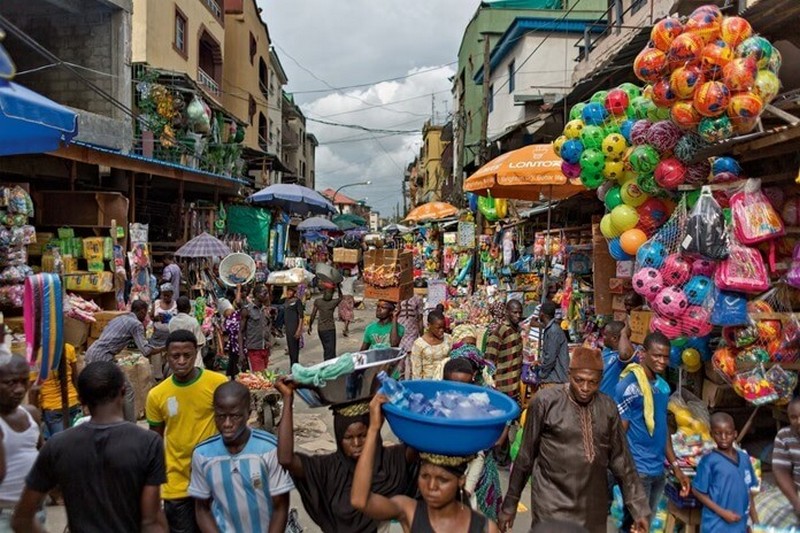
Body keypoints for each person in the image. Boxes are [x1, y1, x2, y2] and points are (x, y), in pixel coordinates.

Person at [499, 348, 650, 533]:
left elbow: (622, 460)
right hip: (551, 503)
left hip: (593, 506)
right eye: (579, 380)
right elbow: (525, 456)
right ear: (569, 374)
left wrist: (639, 509)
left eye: (593, 382)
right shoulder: (545, 402)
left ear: (600, 380)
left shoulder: (608, 407)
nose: (585, 388)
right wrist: (510, 504)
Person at [12, 361, 168, 532]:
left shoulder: (58, 446)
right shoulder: (148, 443)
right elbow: (150, 521)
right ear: (123, 391)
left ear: (81, 400)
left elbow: (22, 518)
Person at [275, 378, 416, 533]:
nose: (356, 443)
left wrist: (401, 404)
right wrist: (288, 399)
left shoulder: (392, 460)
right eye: (348, 438)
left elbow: (420, 440)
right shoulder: (327, 469)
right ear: (338, 436)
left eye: (363, 435)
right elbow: (285, 459)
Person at [350, 394, 500, 533]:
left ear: (461, 481)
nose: (431, 486)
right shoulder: (408, 511)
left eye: (442, 480)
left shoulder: (486, 528)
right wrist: (373, 429)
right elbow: (360, 500)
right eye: (425, 476)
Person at [145, 330, 227, 533]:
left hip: (214, 480)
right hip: (177, 483)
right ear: (166, 356)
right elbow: (156, 440)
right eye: (175, 356)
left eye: (187, 355)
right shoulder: (157, 395)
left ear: (196, 353)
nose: (181, 361)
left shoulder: (217, 384)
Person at [189, 381, 293, 532]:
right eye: (221, 416)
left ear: (248, 413)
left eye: (235, 416)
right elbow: (202, 509)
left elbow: (280, 507)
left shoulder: (269, 449)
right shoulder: (203, 455)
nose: (227, 424)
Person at [615, 332, 690, 532]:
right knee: (635, 525)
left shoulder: (663, 387)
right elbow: (619, 433)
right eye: (657, 355)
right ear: (643, 354)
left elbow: (662, 428)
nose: (662, 361)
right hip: (638, 471)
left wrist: (675, 466)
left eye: (665, 356)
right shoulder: (628, 387)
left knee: (646, 524)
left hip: (658, 470)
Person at [443, 358, 503, 522]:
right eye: (454, 386)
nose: (460, 392)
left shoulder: (477, 410)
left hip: (468, 487)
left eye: (465, 386)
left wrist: (468, 488)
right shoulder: (438, 410)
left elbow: (479, 455)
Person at [85, 300, 165, 422]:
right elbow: (146, 351)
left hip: (92, 352)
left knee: (102, 389)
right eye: (146, 313)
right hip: (103, 356)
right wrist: (165, 347)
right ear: (142, 311)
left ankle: (105, 420)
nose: (146, 316)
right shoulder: (136, 324)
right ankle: (130, 425)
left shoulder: (119, 318)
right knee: (127, 390)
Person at [692, 412, 758, 532]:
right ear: (711, 434)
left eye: (728, 433)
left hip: (739, 525)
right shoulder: (708, 461)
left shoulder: (744, 458)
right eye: (718, 433)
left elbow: (748, 492)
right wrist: (723, 513)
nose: (723, 437)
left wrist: (755, 521)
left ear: (735, 434)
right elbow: (698, 492)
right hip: (716, 526)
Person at [0, 356, 42, 529]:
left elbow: (44, 459)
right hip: (4, 512)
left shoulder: (30, 414)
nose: (19, 389)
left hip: (35, 510)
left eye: (24, 381)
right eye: (10, 383)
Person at [755, 396, 800, 527]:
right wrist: (796, 502)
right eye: (794, 417)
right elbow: (781, 470)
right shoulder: (784, 436)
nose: (799, 421)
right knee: (760, 508)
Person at [28, 344, 80, 439]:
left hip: (52, 408)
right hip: (73, 403)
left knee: (60, 444)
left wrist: (34, 418)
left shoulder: (35, 356)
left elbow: (33, 391)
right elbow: (75, 379)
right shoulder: (68, 348)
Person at [484, 300, 524, 403]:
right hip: (502, 388)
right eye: (514, 312)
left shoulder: (516, 330)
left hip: (514, 387)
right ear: (506, 312)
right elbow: (488, 361)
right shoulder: (500, 331)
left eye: (520, 312)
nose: (518, 316)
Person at [409, 310, 452, 379]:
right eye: (438, 328)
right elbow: (416, 371)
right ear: (429, 325)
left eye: (443, 327)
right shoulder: (419, 344)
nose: (441, 330)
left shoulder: (448, 339)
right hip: (428, 382)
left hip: (445, 380)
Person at [536, 301, 569, 388]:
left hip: (556, 380)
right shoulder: (551, 329)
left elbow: (550, 358)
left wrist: (542, 374)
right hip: (554, 379)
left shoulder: (553, 331)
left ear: (542, 314)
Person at [240, 285, 272, 372]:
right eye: (264, 293)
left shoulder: (266, 309)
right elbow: (241, 331)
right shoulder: (247, 310)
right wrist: (241, 353)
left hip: (265, 348)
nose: (267, 296)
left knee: (264, 377)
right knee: (259, 377)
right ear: (257, 295)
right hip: (254, 350)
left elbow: (267, 327)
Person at [599, 320, 635, 397]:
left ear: (614, 338)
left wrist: (624, 334)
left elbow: (625, 354)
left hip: (611, 403)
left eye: (605, 335)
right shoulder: (608, 350)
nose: (603, 337)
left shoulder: (621, 356)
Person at [169, 296, 205, 369]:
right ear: (189, 308)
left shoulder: (172, 322)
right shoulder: (193, 322)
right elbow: (200, 342)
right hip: (193, 360)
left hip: (177, 358)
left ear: (177, 309)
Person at [151, 284, 178, 379]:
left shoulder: (175, 304)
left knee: (169, 358)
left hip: (170, 335)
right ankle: (157, 377)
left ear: (172, 294)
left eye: (168, 295)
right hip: (158, 336)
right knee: (157, 358)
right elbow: (151, 317)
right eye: (164, 295)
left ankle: (168, 376)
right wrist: (156, 318)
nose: (166, 297)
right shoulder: (157, 303)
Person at [308, 288, 342, 361]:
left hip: (321, 329)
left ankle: (327, 363)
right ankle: (329, 364)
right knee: (331, 349)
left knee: (326, 348)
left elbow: (313, 314)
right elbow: (341, 297)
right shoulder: (333, 302)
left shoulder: (318, 301)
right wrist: (338, 287)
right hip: (330, 329)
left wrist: (310, 325)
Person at [219, 288, 243, 378]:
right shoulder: (230, 319)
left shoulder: (234, 316)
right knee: (235, 362)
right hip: (235, 344)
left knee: (235, 362)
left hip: (236, 344)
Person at [283, 286, 304, 368]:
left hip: (294, 327)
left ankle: (295, 366)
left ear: (294, 292)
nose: (289, 293)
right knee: (290, 348)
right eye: (288, 291)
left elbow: (301, 316)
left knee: (295, 349)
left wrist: (299, 330)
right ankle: (292, 366)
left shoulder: (297, 301)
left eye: (291, 291)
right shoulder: (286, 301)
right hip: (288, 328)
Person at [338, 270, 357, 337]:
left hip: (343, 298)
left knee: (344, 314)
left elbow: (338, 289)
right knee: (349, 314)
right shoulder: (351, 279)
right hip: (349, 298)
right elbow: (359, 276)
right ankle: (345, 328)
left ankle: (346, 327)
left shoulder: (340, 279)